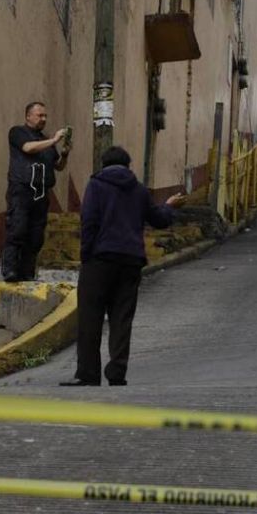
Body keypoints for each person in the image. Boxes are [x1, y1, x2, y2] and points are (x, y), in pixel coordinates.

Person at [61, 146, 183, 386]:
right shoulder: (139, 190)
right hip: (130, 260)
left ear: (104, 164)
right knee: (122, 318)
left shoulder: (96, 185)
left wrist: (86, 257)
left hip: (100, 259)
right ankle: (117, 372)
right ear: (128, 166)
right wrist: (169, 206)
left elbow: (89, 222)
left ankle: (88, 373)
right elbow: (158, 220)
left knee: (90, 317)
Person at [3, 102, 70, 282]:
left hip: (41, 192)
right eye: (40, 115)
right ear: (28, 116)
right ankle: (10, 270)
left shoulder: (46, 141)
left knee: (36, 236)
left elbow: (58, 166)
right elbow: (28, 148)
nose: (44, 119)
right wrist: (54, 140)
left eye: (45, 116)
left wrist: (64, 154)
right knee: (17, 229)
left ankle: (27, 273)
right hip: (21, 190)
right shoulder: (17, 132)